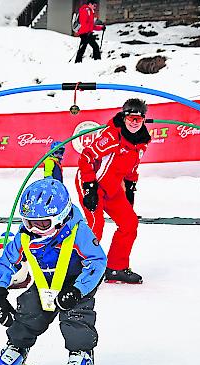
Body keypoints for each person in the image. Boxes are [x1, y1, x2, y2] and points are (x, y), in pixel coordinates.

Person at [0, 178, 106, 365]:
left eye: (43, 224)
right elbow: (7, 261)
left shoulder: (78, 232)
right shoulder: (25, 236)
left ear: (60, 217)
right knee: (29, 312)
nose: (35, 229)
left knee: (75, 317)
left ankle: (82, 357)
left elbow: (97, 261)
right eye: (29, 222)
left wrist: (78, 290)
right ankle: (17, 349)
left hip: (76, 284)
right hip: (44, 282)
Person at [75, 98, 150, 284]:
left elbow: (132, 168)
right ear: (124, 118)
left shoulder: (141, 143)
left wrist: (131, 187)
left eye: (138, 120)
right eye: (131, 118)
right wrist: (90, 187)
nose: (134, 123)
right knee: (96, 224)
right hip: (92, 182)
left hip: (113, 186)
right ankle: (80, 268)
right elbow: (86, 157)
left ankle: (116, 268)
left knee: (129, 223)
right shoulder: (112, 137)